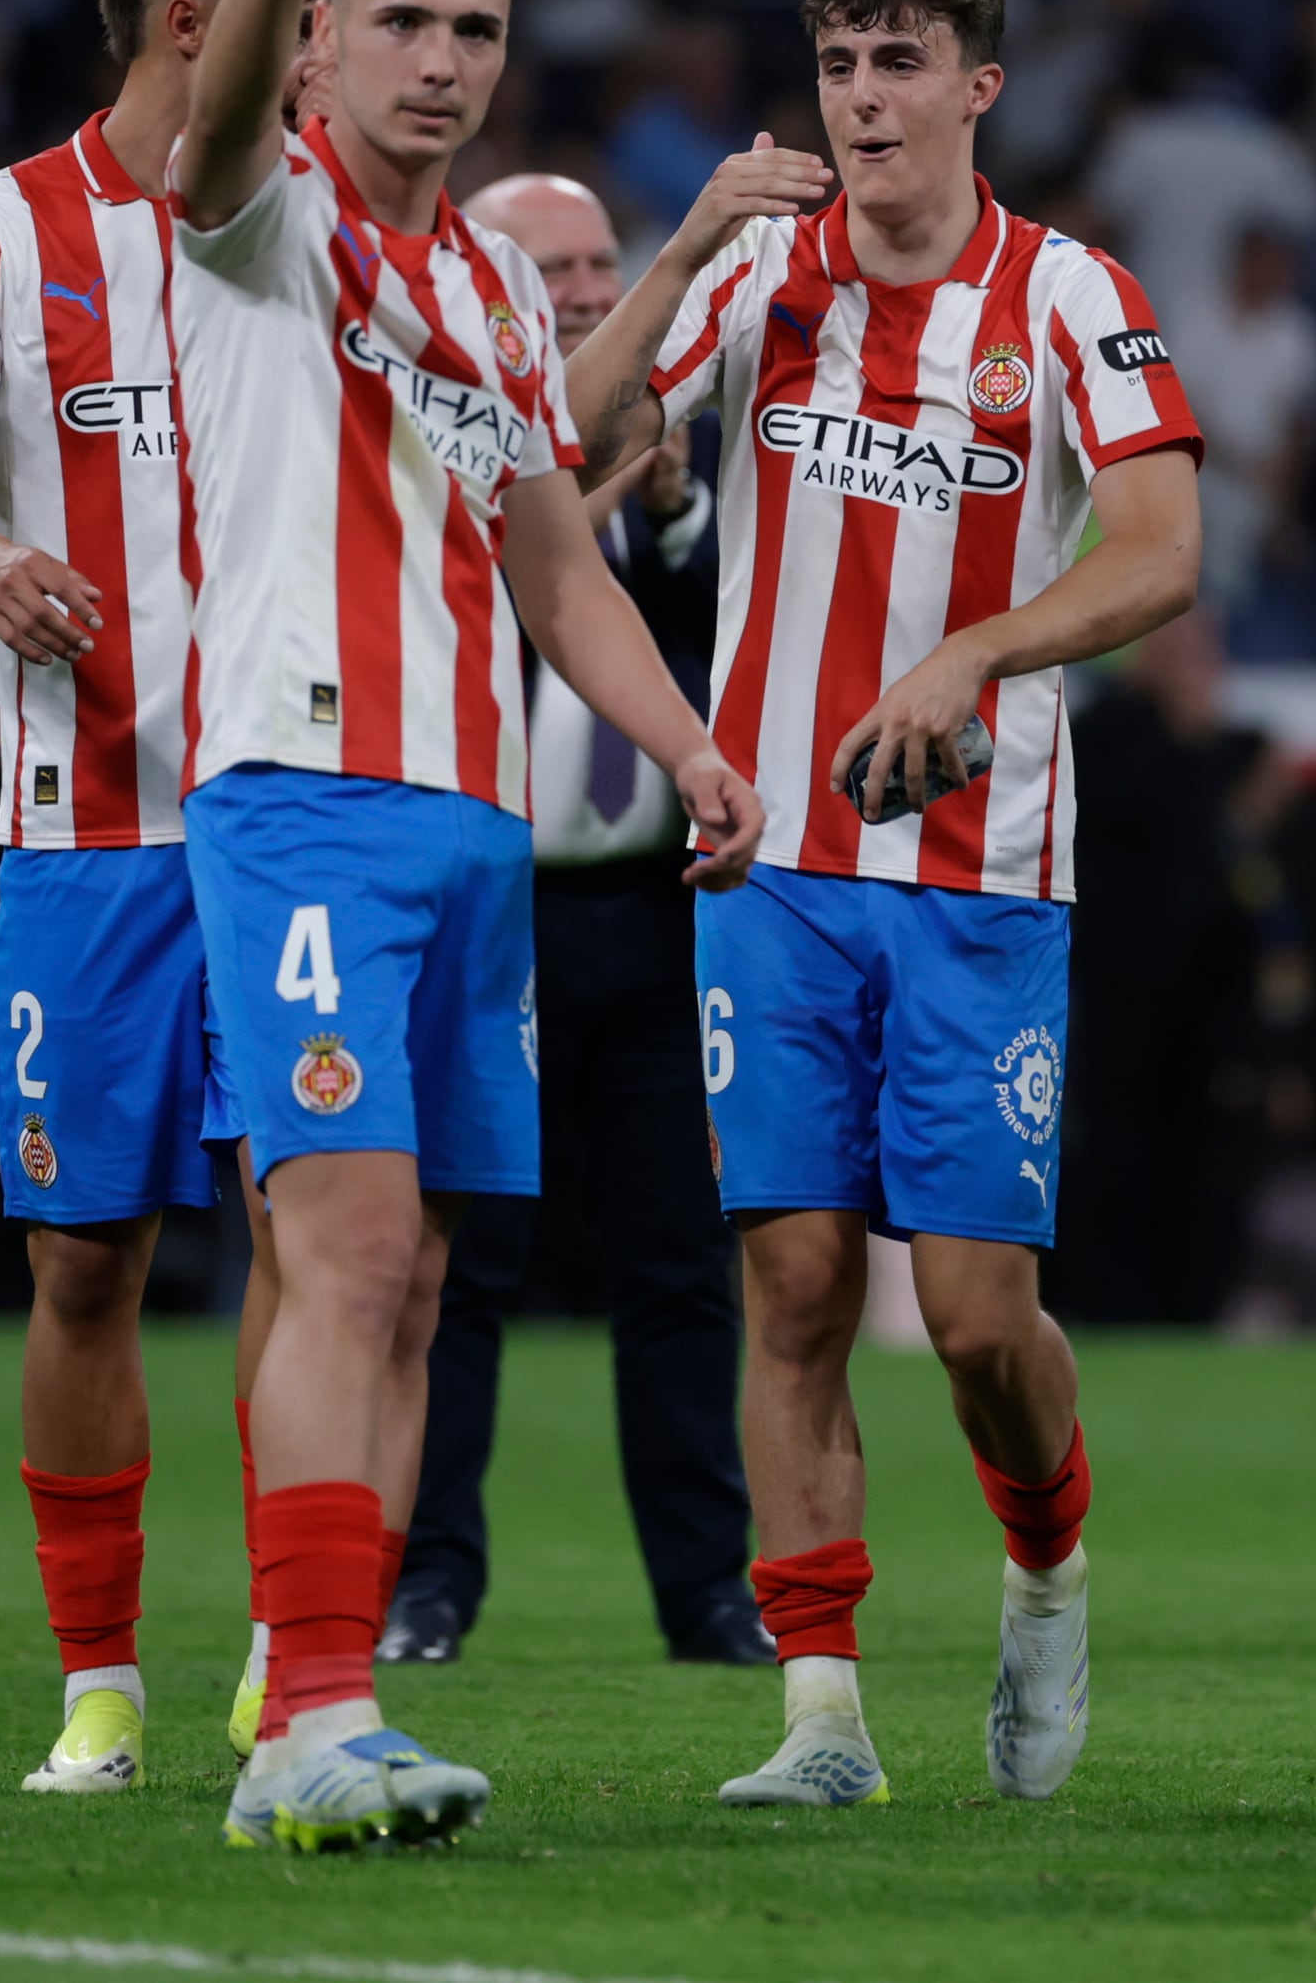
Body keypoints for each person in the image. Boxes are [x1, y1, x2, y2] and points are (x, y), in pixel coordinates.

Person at [169, 0, 765, 1854]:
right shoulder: (263, 212)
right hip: (303, 800)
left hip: (467, 828)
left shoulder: (497, 300)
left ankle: (317, 1698)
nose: (441, 59)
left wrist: (686, 747)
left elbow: (552, 568)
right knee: (337, 1249)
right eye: (399, 19)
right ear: (321, 40)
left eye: (476, 28)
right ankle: (310, 1715)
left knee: (417, 1275)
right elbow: (211, 117)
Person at [560, 0, 1205, 1813]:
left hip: (986, 868)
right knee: (794, 1282)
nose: (863, 100)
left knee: (984, 1316)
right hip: (769, 857)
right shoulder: (757, 271)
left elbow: (1163, 546)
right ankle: (823, 1713)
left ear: (977, 87)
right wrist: (674, 251)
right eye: (841, 63)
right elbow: (566, 440)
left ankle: (1047, 1558)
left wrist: (982, 647)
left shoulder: (1072, 296)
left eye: (901, 63)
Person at [0, 0, 283, 1797]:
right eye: (294, 9)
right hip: (88, 830)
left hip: (297, 824)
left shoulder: (315, 226)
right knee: (86, 1262)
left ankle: (299, 1649)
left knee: (316, 1239)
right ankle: (100, 1684)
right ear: (193, 19)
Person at [384, 167, 770, 1672]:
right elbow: (485, 596)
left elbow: (738, 653)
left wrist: (671, 524)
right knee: (456, 1256)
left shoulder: (683, 467)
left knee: (682, 1259)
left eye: (606, 262)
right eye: (557, 267)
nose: (592, 290)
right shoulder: (436, 440)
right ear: (489, 283)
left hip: (655, 907)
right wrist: (605, 492)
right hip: (498, 901)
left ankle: (705, 1592)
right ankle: (428, 1582)